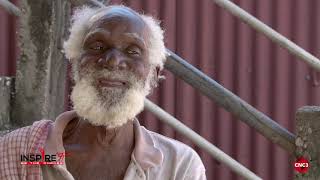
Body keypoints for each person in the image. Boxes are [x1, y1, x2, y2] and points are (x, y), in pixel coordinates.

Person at [0, 5, 206, 180]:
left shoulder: (179, 166)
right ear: (75, 63)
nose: (113, 60)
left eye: (133, 51)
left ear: (153, 75)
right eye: (97, 46)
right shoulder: (22, 152)